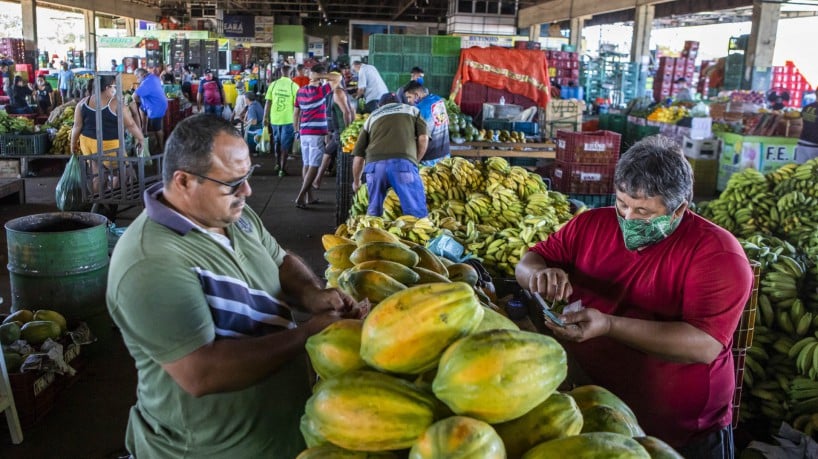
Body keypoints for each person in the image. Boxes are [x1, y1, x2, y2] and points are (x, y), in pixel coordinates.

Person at [106, 114, 359, 458]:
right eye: (232, 182)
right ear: (183, 182)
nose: (247, 190)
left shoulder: (231, 214)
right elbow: (202, 372)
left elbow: (280, 259)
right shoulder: (149, 262)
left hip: (279, 433)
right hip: (211, 450)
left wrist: (312, 294)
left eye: (248, 176)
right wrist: (308, 334)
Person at [515, 136, 753, 457]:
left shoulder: (717, 254)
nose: (627, 218)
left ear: (679, 209)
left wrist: (609, 326)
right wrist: (539, 275)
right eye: (622, 203)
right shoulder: (590, 225)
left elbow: (704, 344)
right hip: (595, 409)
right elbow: (527, 263)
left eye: (643, 211)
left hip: (681, 431)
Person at [352, 92, 429, 218]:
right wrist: (415, 161)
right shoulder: (412, 110)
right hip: (402, 164)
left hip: (375, 167)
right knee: (415, 213)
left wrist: (356, 182)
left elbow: (358, 157)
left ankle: (373, 234)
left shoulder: (372, 117)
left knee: (374, 213)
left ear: (379, 105)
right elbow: (423, 139)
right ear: (400, 102)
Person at [70, 75, 145, 194]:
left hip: (87, 143)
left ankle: (99, 201)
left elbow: (77, 127)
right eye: (114, 86)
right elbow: (130, 124)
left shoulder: (83, 103)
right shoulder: (116, 103)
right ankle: (114, 195)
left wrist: (73, 144)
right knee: (125, 172)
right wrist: (141, 139)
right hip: (108, 145)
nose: (115, 89)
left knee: (97, 173)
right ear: (107, 87)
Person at [293, 65, 341, 208]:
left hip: (303, 132)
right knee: (314, 165)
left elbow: (296, 113)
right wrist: (320, 76)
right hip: (316, 133)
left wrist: (296, 130)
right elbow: (337, 77)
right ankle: (301, 196)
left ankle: (309, 196)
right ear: (319, 76)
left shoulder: (300, 91)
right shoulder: (320, 91)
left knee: (306, 164)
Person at [313, 72, 355, 190]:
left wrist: (347, 131)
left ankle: (317, 180)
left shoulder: (338, 93)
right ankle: (318, 180)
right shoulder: (341, 92)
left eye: (329, 81)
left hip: (341, 132)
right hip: (339, 131)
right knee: (329, 153)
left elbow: (347, 112)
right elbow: (352, 111)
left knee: (327, 153)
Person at [403, 81, 451, 167]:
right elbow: (447, 122)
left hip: (430, 160)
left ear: (417, 95)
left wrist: (416, 161)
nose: (408, 100)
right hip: (445, 154)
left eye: (409, 97)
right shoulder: (438, 100)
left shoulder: (419, 109)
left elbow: (423, 139)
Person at [263, 65, 300, 176]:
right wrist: (298, 122)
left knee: (277, 142)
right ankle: (282, 170)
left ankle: (277, 164)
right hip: (288, 120)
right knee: (285, 145)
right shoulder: (294, 86)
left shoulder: (273, 85)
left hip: (274, 119)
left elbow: (268, 102)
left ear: (280, 73)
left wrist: (265, 117)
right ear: (292, 74)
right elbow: (297, 106)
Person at [133, 67, 168, 152]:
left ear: (142, 75)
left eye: (137, 77)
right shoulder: (152, 77)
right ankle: (144, 132)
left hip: (156, 106)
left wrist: (136, 102)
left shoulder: (147, 82)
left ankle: (161, 147)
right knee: (142, 109)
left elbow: (134, 96)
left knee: (156, 128)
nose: (137, 79)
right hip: (152, 103)